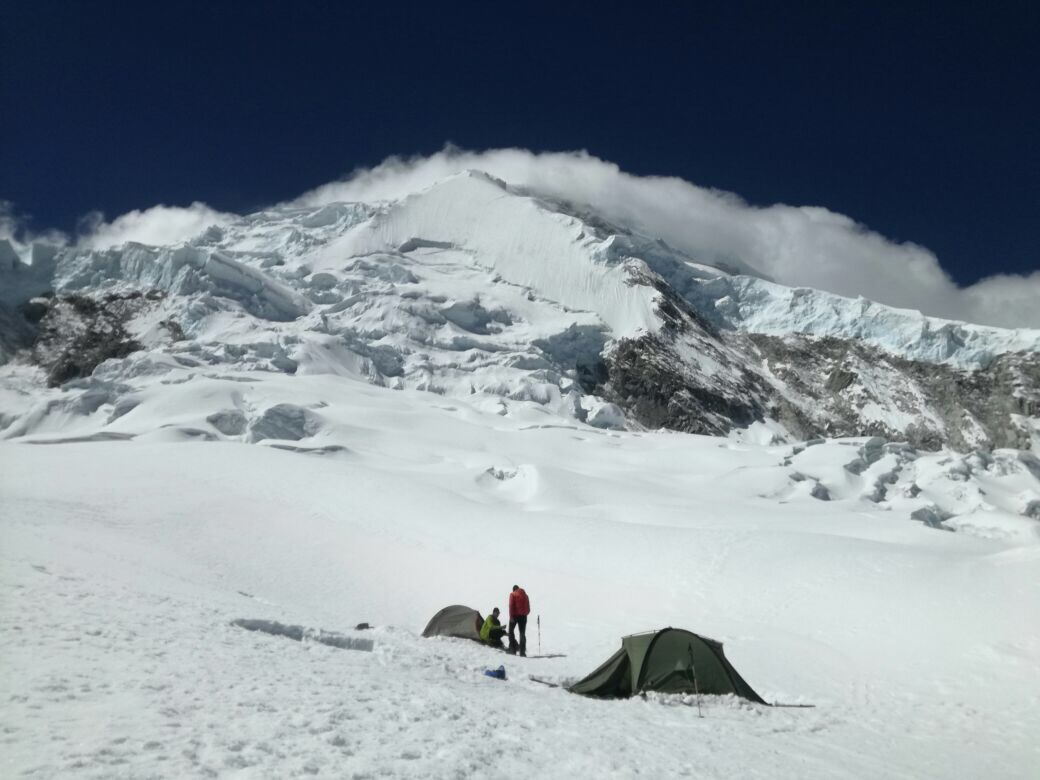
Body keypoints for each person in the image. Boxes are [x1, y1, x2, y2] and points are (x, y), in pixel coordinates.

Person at [508, 584, 531, 656]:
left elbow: (511, 605)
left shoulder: (513, 594)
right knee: (522, 633)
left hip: (514, 616)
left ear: (513, 589)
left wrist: (511, 616)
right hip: (523, 616)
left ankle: (512, 649)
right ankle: (522, 652)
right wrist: (525, 614)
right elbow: (528, 607)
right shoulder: (525, 595)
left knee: (511, 631)